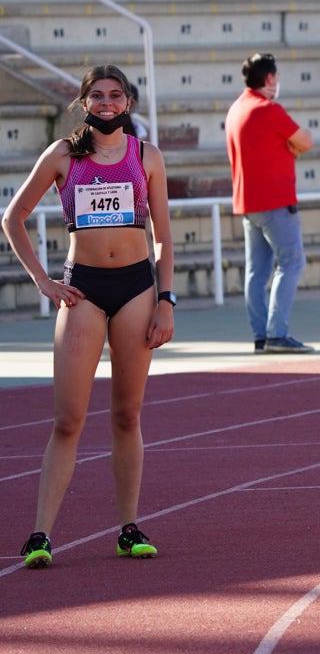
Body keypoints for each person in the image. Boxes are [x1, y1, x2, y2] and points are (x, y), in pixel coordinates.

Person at [2, 65, 175, 568]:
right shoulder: (63, 155)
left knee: (127, 415)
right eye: (96, 95)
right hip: (84, 290)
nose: (106, 103)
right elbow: (12, 217)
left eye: (114, 95)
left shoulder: (148, 157)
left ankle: (128, 527)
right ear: (83, 102)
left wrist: (166, 299)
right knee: (69, 419)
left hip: (137, 288)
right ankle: (40, 535)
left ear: (128, 103)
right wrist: (44, 282)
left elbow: (162, 236)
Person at [224, 52, 315, 354]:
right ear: (270, 78)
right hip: (275, 201)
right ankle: (277, 333)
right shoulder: (268, 109)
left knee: (257, 271)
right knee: (291, 263)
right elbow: (305, 140)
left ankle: (262, 335)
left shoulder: (237, 108)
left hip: (248, 203)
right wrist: (290, 147)